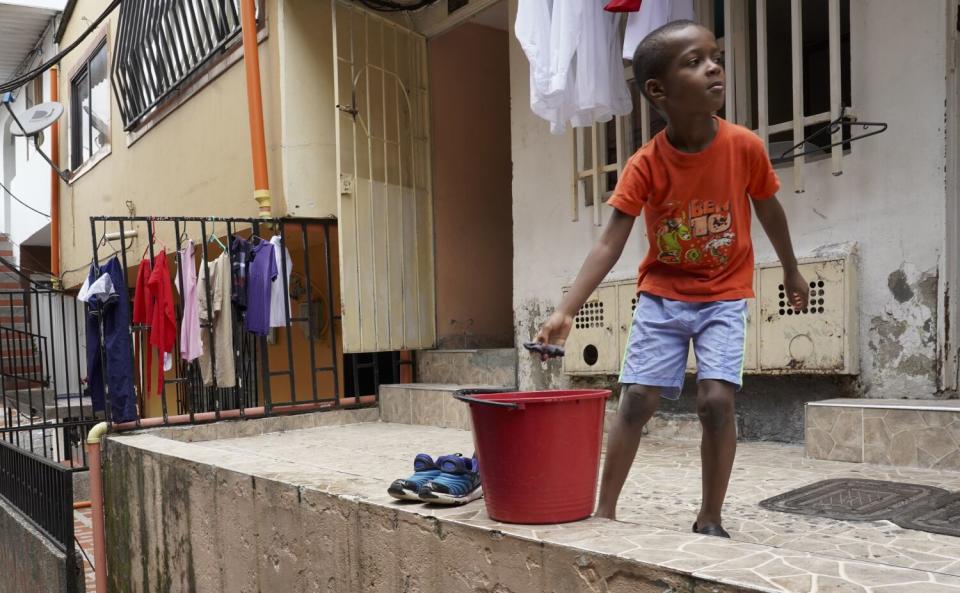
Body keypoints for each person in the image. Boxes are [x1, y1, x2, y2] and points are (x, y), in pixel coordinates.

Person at [533, 20, 809, 538]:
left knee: (716, 401)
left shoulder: (744, 146)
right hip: (662, 296)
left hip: (724, 293)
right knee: (636, 399)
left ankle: (710, 517)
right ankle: (605, 510)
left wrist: (791, 269)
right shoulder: (645, 164)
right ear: (658, 91)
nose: (714, 67)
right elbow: (609, 241)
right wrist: (567, 308)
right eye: (695, 61)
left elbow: (770, 211)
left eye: (715, 56)